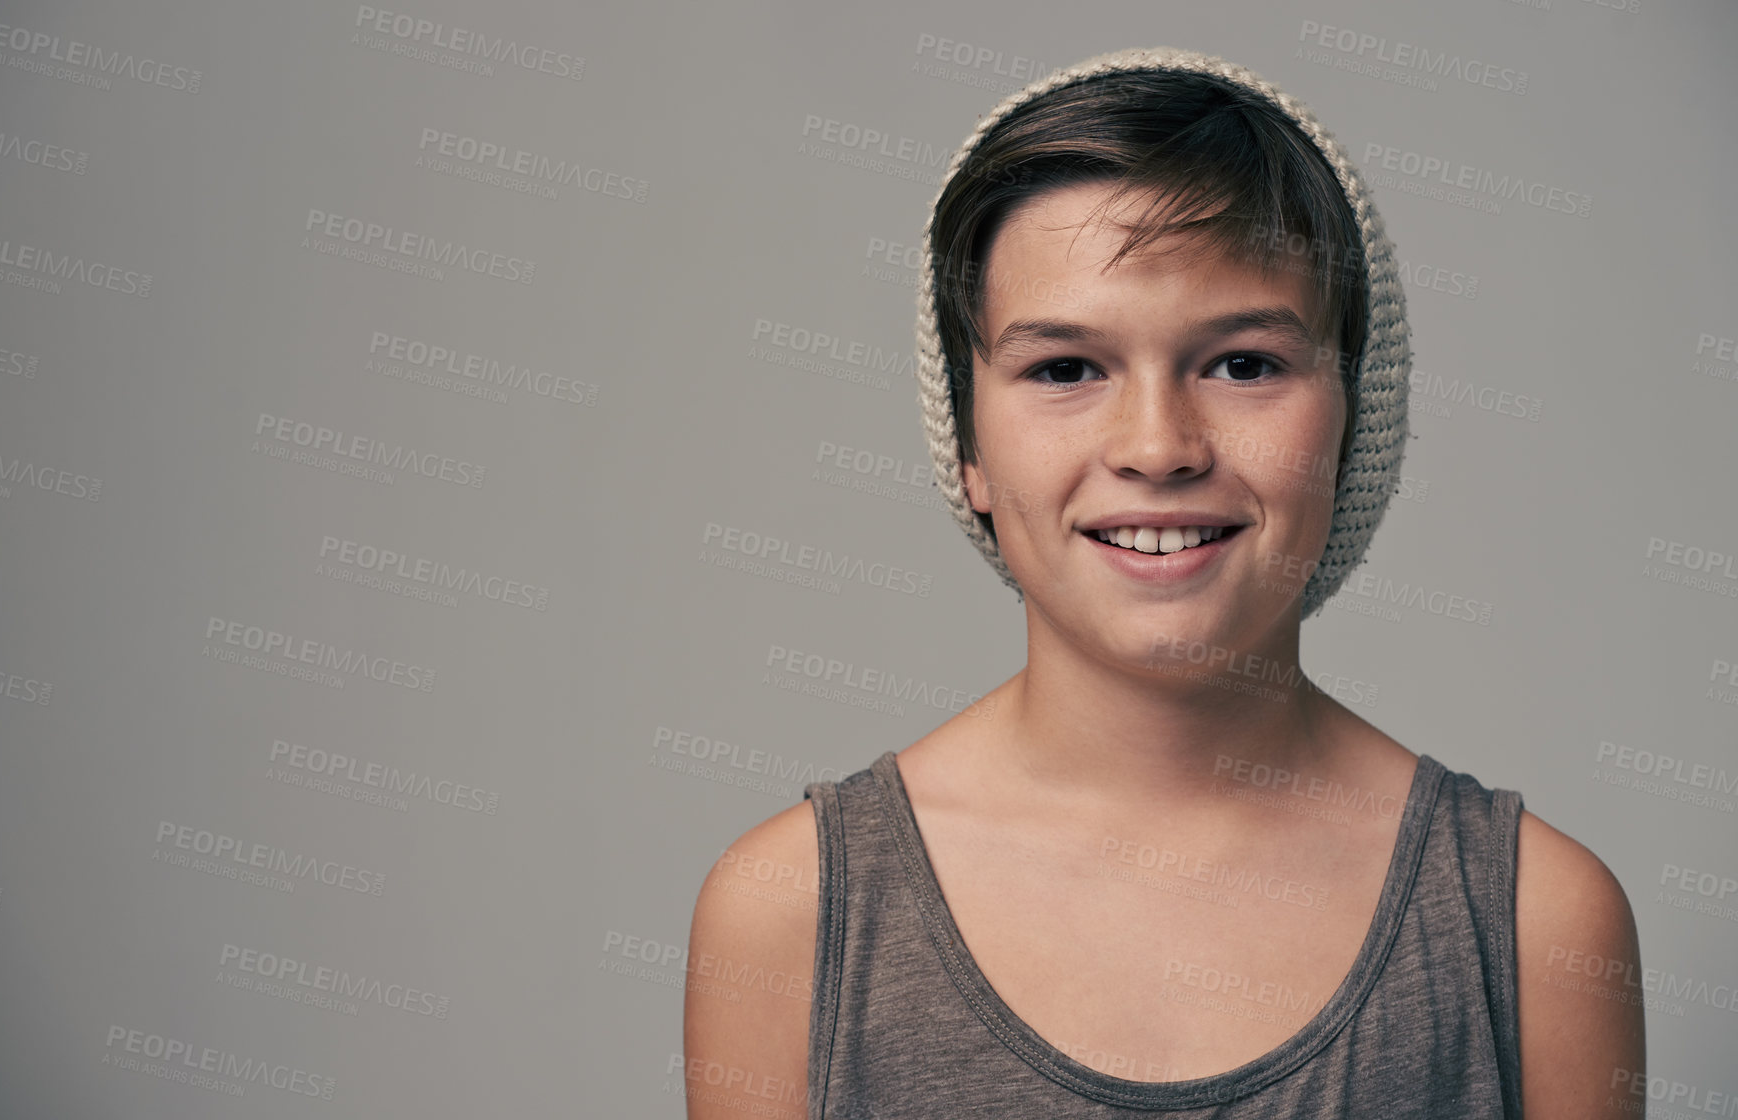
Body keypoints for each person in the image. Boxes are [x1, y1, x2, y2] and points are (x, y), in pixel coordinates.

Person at [682, 47, 1642, 1118]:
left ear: (1353, 417)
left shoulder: (1531, 923)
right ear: (968, 445)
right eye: (1063, 369)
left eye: (1242, 364)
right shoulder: (793, 915)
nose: (1156, 446)